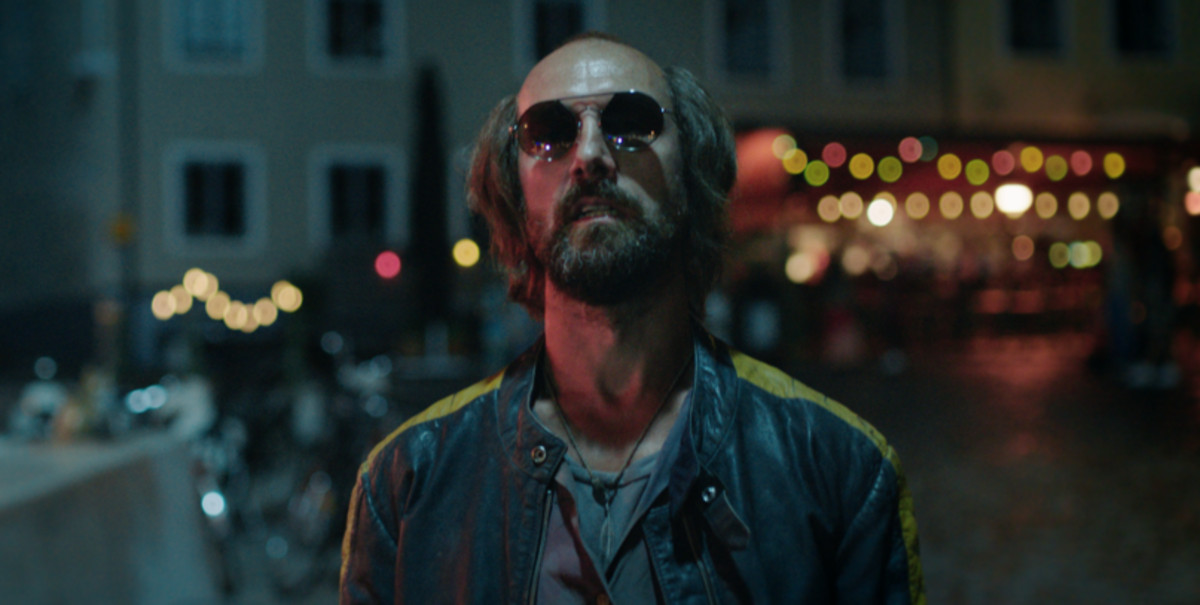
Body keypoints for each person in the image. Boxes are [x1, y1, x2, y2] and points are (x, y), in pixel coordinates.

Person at [340, 33, 924, 604]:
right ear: (514, 193)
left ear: (691, 175)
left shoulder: (840, 468)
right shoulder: (408, 481)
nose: (590, 156)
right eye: (549, 132)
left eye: (632, 123)